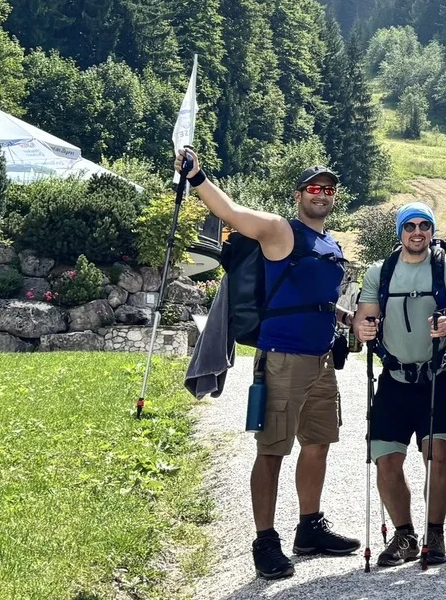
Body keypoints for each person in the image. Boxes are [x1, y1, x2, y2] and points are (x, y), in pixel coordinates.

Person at [178, 147, 360, 580]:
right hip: (281, 358)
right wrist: (198, 176)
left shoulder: (330, 243)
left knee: (318, 444)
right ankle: (265, 540)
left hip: (320, 362)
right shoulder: (280, 229)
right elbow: (230, 212)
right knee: (273, 450)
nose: (322, 194)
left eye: (329, 189)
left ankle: (309, 528)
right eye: (314, 188)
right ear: (299, 194)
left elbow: (317, 298)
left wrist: (346, 318)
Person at [353, 202, 446, 566]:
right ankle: (404, 535)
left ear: (432, 231)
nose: (417, 232)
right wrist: (365, 328)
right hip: (394, 378)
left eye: (424, 226)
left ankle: (434, 532)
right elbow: (363, 320)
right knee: (386, 460)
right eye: (410, 226)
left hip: (438, 377)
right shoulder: (380, 272)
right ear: (400, 232)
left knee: (436, 456)